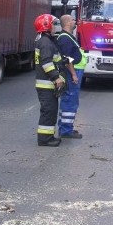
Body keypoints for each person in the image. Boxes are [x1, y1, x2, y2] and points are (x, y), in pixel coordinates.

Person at [33, 13, 65, 147]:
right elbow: (46, 63)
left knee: (51, 111)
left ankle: (49, 136)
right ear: (46, 26)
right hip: (46, 85)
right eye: (53, 25)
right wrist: (56, 78)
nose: (55, 28)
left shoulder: (46, 41)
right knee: (48, 111)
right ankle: (44, 139)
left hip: (47, 85)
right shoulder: (46, 43)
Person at [56, 14, 87, 139]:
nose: (75, 22)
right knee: (70, 100)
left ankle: (66, 128)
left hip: (74, 71)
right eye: (73, 20)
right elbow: (67, 59)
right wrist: (74, 74)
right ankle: (66, 130)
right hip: (72, 72)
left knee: (70, 99)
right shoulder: (64, 38)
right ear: (68, 22)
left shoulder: (68, 36)